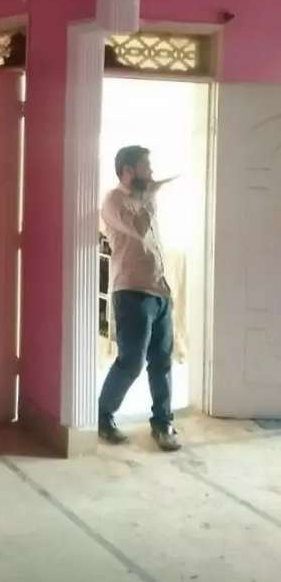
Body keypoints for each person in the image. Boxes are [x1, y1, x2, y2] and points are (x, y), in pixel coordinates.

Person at [98, 145, 181, 452]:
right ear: (128, 170)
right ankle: (102, 416)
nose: (152, 171)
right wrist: (147, 195)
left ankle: (163, 423)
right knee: (131, 362)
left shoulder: (147, 199)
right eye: (146, 166)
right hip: (131, 292)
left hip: (160, 292)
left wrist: (150, 193)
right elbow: (137, 231)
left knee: (162, 361)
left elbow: (154, 245)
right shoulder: (114, 201)